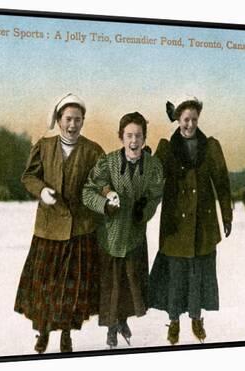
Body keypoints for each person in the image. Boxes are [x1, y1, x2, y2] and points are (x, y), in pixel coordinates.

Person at [14, 93, 104, 354]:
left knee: (70, 289)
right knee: (45, 287)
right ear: (58, 120)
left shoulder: (93, 150)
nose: (72, 125)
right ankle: (43, 332)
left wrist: (107, 195)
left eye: (78, 120)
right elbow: (28, 176)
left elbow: (102, 182)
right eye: (68, 119)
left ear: (83, 121)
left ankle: (65, 335)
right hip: (48, 230)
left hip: (80, 230)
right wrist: (41, 190)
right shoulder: (43, 146)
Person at [148, 97, 232, 345]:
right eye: (186, 119)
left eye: (194, 119)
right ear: (178, 120)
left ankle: (196, 318)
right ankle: (173, 322)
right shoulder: (166, 148)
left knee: (197, 275)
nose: (190, 124)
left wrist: (226, 215)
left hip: (203, 225)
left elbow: (223, 184)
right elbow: (153, 179)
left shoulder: (211, 146)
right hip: (175, 225)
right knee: (176, 276)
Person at [82, 112, 164, 348]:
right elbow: (88, 191)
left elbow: (155, 195)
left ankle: (123, 320)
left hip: (135, 235)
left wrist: (144, 210)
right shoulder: (107, 162)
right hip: (110, 235)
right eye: (129, 135)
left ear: (144, 138)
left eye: (138, 135)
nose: (134, 141)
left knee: (132, 281)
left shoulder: (153, 166)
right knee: (111, 283)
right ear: (121, 137)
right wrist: (105, 204)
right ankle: (110, 329)